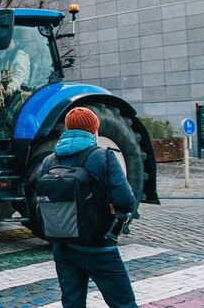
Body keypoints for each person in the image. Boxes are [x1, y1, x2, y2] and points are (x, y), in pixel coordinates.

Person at [38, 107, 136, 308]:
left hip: (63, 246)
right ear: (93, 130)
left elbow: (41, 205)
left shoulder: (49, 161)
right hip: (98, 246)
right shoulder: (103, 156)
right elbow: (125, 200)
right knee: (123, 303)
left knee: (72, 303)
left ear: (68, 129)